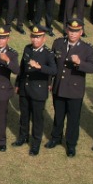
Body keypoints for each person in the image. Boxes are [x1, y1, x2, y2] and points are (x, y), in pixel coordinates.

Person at [48, 19, 93, 157]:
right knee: (58, 116)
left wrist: (80, 62)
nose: (73, 34)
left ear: (81, 32)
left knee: (73, 119)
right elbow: (52, 64)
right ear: (67, 30)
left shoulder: (87, 49)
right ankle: (55, 138)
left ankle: (71, 144)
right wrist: (49, 82)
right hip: (58, 87)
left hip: (74, 90)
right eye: (71, 30)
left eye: (76, 31)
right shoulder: (58, 43)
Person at [15, 26, 58, 154]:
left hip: (38, 91)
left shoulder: (48, 53)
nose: (35, 39)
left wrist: (39, 67)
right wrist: (18, 83)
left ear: (43, 38)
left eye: (38, 37)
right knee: (24, 115)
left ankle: (36, 143)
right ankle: (23, 137)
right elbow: (22, 68)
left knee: (37, 118)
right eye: (33, 36)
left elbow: (54, 70)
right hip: (25, 88)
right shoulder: (27, 48)